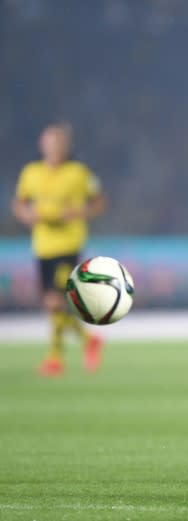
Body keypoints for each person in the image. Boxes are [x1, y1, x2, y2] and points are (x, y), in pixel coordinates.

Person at [12, 122, 106, 377]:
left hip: (68, 244)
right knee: (51, 303)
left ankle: (55, 358)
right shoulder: (31, 173)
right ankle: (89, 341)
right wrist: (27, 216)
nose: (53, 148)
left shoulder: (79, 173)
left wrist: (77, 212)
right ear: (42, 145)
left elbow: (98, 203)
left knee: (55, 301)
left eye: (58, 143)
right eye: (49, 143)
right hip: (43, 246)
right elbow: (19, 204)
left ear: (65, 146)